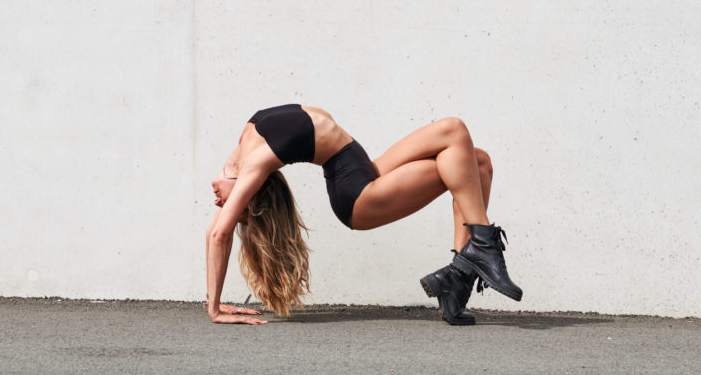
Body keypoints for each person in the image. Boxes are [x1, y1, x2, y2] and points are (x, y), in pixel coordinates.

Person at [206, 104, 522, 326]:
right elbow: (219, 234)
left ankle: (459, 278)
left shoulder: (248, 138)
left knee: (477, 163)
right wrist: (215, 308)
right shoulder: (255, 165)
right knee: (454, 131)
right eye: (235, 211)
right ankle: (481, 247)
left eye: (228, 207)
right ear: (252, 193)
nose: (219, 204)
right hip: (358, 196)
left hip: (362, 169)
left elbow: (215, 231)